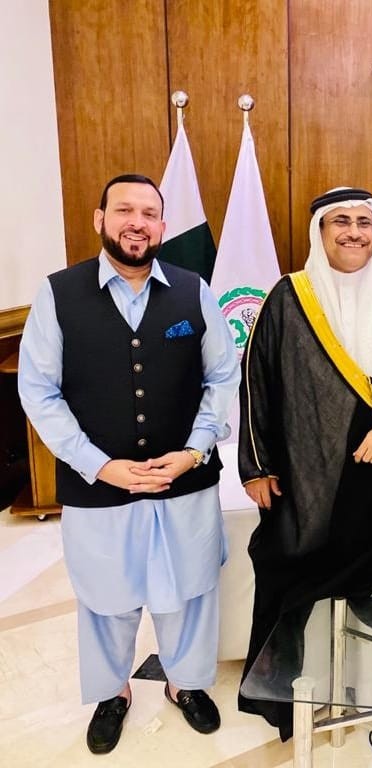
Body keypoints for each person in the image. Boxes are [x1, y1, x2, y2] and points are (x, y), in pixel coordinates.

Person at [17, 174, 240, 755]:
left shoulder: (194, 291)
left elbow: (222, 377)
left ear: (163, 227)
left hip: (185, 481)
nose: (136, 223)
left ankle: (184, 683)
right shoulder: (57, 294)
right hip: (98, 487)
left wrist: (194, 450)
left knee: (190, 590)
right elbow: (38, 391)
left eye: (148, 213)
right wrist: (98, 465)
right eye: (124, 211)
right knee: (106, 596)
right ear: (101, 219)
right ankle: (112, 692)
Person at [237, 186, 372, 739]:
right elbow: (257, 382)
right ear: (320, 232)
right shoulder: (289, 296)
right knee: (289, 565)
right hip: (309, 466)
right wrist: (257, 466)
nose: (354, 232)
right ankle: (284, 697)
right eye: (341, 221)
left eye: (364, 222)